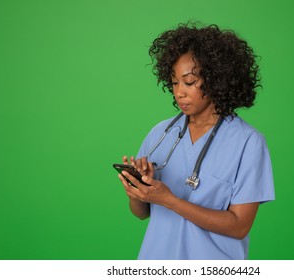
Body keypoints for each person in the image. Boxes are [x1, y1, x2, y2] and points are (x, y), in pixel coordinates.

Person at [117, 23, 275, 260]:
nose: (179, 92)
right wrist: (136, 191)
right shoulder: (161, 134)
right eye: (174, 82)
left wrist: (170, 200)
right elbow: (141, 213)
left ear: (216, 79)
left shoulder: (248, 143)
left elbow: (239, 226)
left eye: (189, 82)